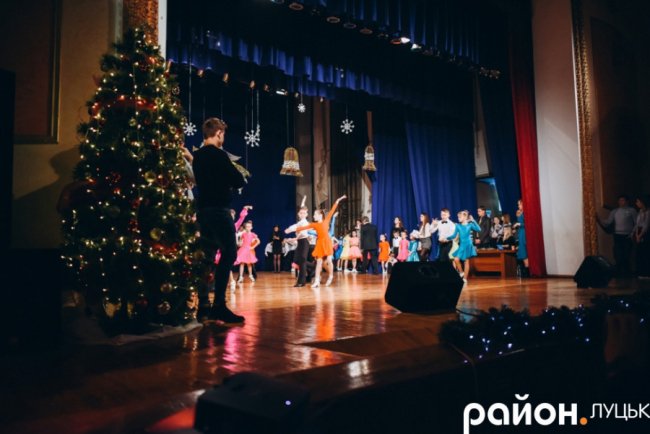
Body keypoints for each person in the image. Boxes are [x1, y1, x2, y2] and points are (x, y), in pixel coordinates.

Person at [193, 117, 246, 323]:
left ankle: (203, 306)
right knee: (229, 253)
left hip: (203, 211)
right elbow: (238, 180)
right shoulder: (219, 155)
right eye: (223, 134)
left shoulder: (198, 156)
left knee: (206, 257)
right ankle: (219, 306)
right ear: (219, 133)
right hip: (219, 210)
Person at [296, 195, 347, 287]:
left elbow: (332, 210)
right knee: (319, 262)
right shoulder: (314, 224)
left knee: (329, 260)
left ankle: (331, 276)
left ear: (319, 215)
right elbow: (305, 227)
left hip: (327, 242)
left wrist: (338, 200)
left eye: (314, 214)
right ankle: (316, 281)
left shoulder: (326, 220)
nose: (313, 216)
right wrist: (295, 229)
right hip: (319, 243)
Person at [597, 195, 638, 277]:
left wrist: (632, 233)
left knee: (627, 254)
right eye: (619, 200)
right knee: (618, 254)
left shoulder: (632, 210)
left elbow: (637, 223)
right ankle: (619, 272)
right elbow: (608, 222)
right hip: (617, 235)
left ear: (627, 201)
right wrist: (599, 219)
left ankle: (627, 272)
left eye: (622, 200)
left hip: (627, 235)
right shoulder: (614, 211)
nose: (621, 202)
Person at [285, 196, 312, 287]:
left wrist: (292, 236)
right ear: (298, 214)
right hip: (300, 243)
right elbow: (294, 227)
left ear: (306, 214)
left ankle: (301, 281)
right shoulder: (300, 222)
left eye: (304, 213)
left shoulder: (305, 222)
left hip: (304, 242)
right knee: (297, 261)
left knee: (302, 262)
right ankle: (313, 268)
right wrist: (303, 201)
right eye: (301, 213)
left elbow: (300, 231)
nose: (302, 214)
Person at [447, 211, 481, 283]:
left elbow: (479, 229)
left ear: (465, 217)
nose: (458, 218)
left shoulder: (470, 225)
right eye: (458, 217)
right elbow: (454, 235)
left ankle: (465, 278)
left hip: (468, 244)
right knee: (456, 259)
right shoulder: (458, 226)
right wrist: (447, 237)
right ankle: (461, 272)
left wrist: (473, 221)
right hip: (462, 245)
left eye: (460, 217)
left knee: (466, 261)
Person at [632, 195, 650, 279]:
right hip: (639, 232)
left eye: (638, 201)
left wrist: (640, 235)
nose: (637, 203)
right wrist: (636, 234)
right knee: (640, 253)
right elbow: (637, 224)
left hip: (646, 234)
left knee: (646, 253)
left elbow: (646, 225)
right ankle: (641, 272)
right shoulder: (640, 211)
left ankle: (647, 273)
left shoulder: (648, 212)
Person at [513, 199, 529, 277]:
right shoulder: (519, 213)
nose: (518, 206)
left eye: (519, 204)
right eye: (518, 205)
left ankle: (527, 271)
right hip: (520, 233)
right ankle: (525, 271)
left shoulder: (526, 212)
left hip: (524, 233)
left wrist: (519, 224)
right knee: (522, 252)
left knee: (524, 252)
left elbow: (528, 223)